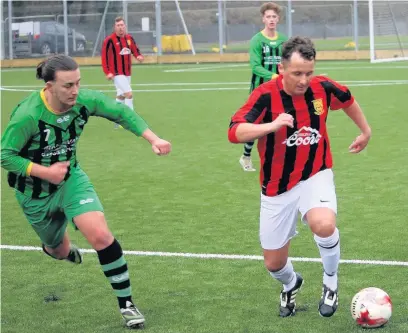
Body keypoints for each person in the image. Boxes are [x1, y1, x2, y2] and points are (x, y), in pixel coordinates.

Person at [1, 54, 171, 329]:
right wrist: (45, 172)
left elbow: (121, 113)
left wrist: (153, 138)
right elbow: (5, 156)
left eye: (78, 83)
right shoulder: (27, 115)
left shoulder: (83, 101)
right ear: (49, 86)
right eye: (68, 85)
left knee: (101, 235)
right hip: (33, 194)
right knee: (58, 250)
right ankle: (57, 249)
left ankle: (126, 304)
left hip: (70, 180)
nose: (75, 90)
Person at [228, 36, 371, 318]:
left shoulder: (323, 87)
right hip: (276, 187)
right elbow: (235, 132)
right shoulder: (266, 95)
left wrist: (365, 131)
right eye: (297, 73)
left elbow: (348, 99)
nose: (304, 80)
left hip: (315, 173)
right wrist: (272, 124)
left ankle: (331, 281)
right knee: (274, 263)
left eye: (308, 72)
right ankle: (292, 283)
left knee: (324, 224)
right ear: (282, 69)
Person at [239, 2, 287, 172]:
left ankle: (279, 158)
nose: (271, 19)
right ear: (263, 19)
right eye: (268, 17)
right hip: (260, 89)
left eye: (274, 16)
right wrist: (274, 76)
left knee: (280, 122)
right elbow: (255, 66)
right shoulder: (257, 40)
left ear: (278, 19)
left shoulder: (283, 40)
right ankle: (245, 156)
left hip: (280, 89)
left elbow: (287, 62)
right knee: (256, 123)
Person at [101, 16, 144, 128]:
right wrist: (107, 72)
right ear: (114, 27)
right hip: (116, 73)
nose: (120, 27)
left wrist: (138, 56)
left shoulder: (129, 38)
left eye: (122, 25)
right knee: (129, 94)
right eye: (118, 25)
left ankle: (116, 120)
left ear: (125, 26)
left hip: (127, 72)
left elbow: (135, 49)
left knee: (121, 96)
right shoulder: (109, 40)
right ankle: (131, 119)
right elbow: (104, 57)